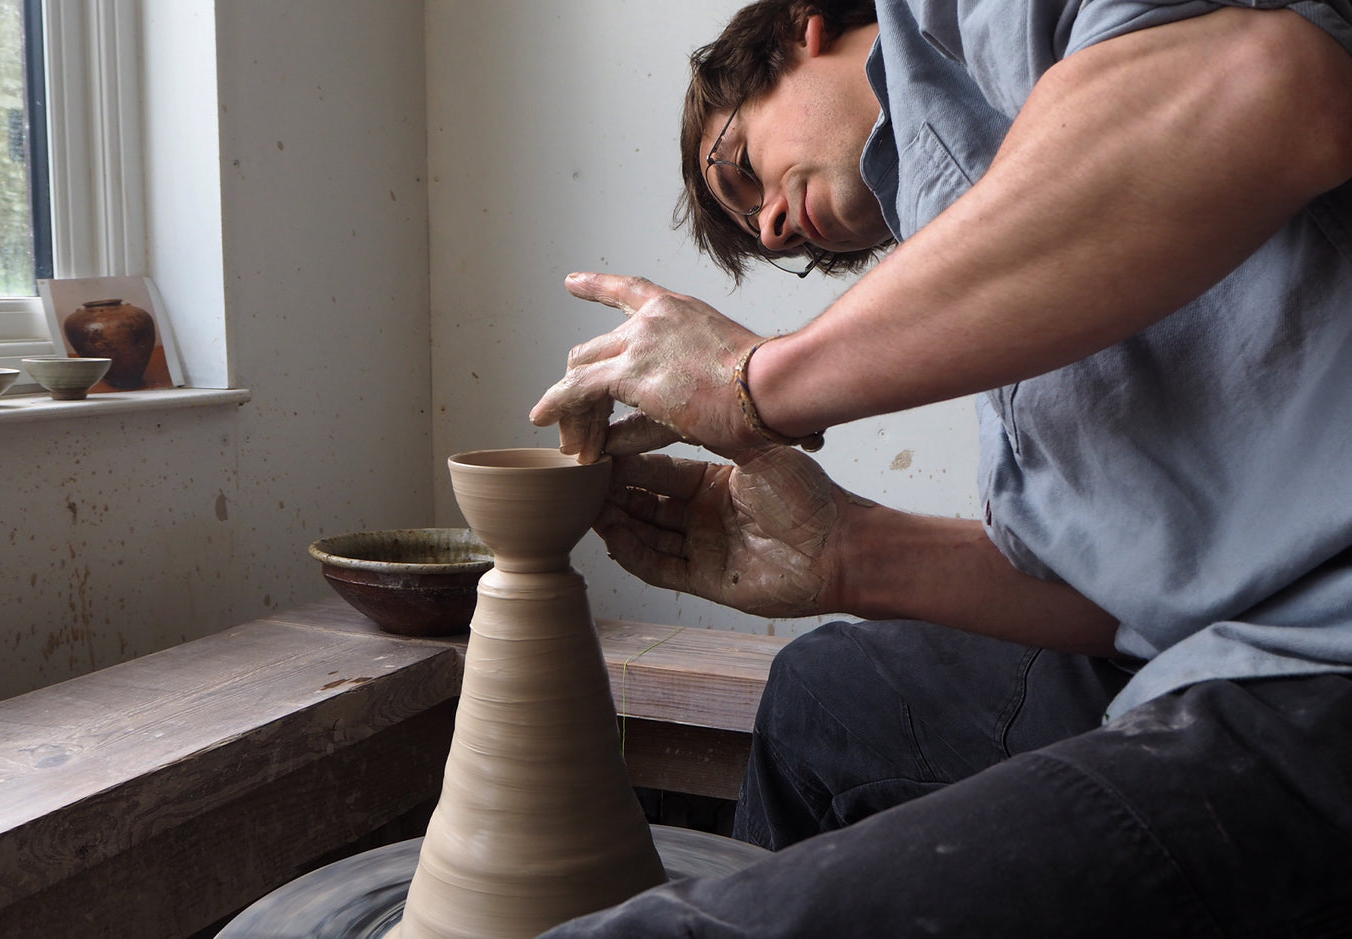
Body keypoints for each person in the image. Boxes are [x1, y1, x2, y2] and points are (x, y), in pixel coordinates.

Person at [530, 0, 1352, 935]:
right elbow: (1130, 598)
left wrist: (758, 381)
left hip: (1322, 660)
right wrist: (847, 552)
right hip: (1229, 639)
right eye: (766, 235)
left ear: (803, 28)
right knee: (820, 694)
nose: (769, 230)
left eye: (741, 167)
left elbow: (1270, 86)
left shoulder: (962, 20)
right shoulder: (984, 245)